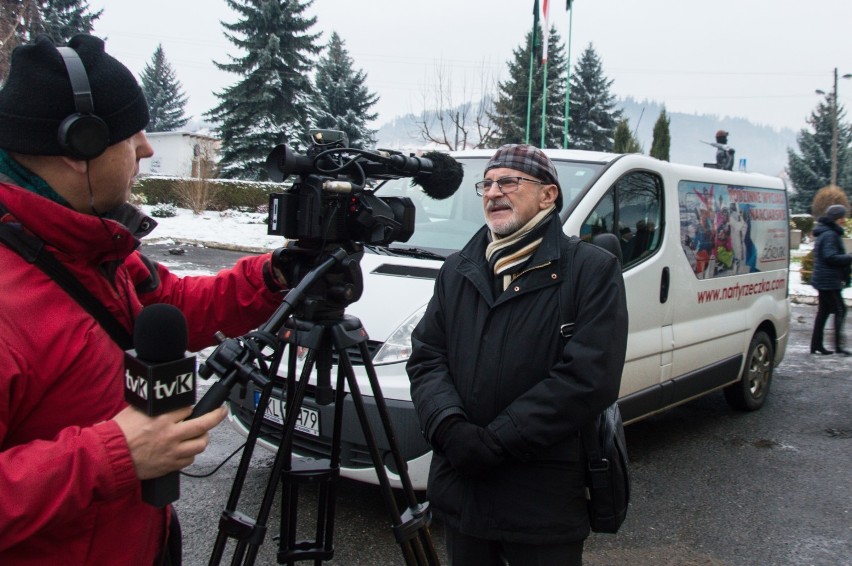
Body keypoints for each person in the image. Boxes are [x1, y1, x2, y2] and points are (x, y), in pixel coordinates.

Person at [0, 35, 291, 564]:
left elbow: (173, 305)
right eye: (130, 133)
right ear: (77, 146)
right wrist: (115, 454)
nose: (147, 148)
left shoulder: (90, 247)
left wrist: (274, 276)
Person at [406, 144, 628, 565]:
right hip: (464, 490)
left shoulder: (590, 271)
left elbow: (588, 378)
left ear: (548, 195)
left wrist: (495, 442)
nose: (493, 192)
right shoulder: (459, 268)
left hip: (541, 500)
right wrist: (450, 427)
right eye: (486, 184)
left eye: (508, 181)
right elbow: (427, 356)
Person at [809, 204, 852, 356]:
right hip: (828, 281)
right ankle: (838, 347)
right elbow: (830, 257)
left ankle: (816, 345)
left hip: (825, 279)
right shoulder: (830, 235)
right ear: (836, 219)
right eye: (842, 217)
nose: (844, 220)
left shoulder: (827, 232)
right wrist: (849, 257)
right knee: (840, 310)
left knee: (824, 312)